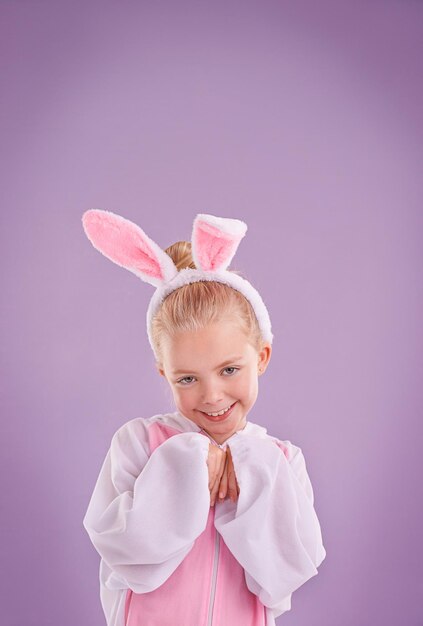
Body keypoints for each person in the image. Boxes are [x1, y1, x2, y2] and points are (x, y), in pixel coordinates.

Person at [81, 210, 327, 626]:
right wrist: (182, 465)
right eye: (187, 378)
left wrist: (255, 472)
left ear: (261, 356)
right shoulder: (140, 444)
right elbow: (125, 553)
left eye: (229, 370)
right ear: (164, 372)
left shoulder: (282, 460)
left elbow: (285, 573)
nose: (211, 396)